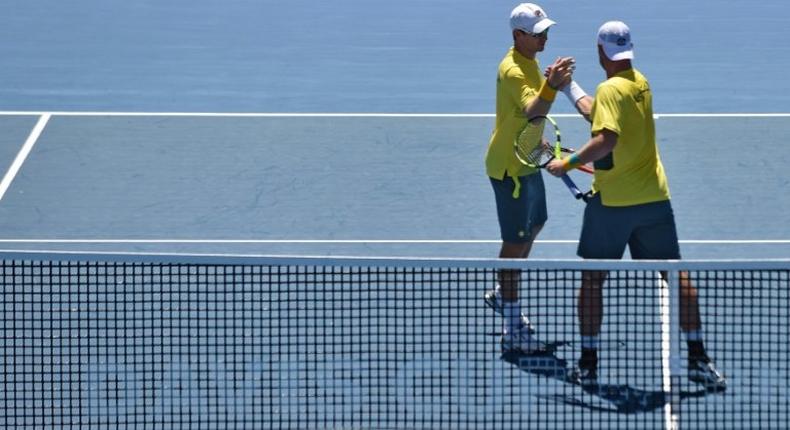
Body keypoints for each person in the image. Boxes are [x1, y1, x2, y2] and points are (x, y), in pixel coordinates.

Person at [545, 21, 727, 389]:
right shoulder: (639, 82)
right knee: (675, 276)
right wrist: (567, 89)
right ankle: (698, 358)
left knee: (593, 281)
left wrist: (566, 162)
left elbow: (606, 137)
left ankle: (589, 361)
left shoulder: (610, 88)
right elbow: (599, 112)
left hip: (613, 204)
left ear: (600, 52)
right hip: (654, 199)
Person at [483, 3, 579, 355]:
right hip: (510, 171)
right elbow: (533, 110)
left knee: (537, 222)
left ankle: (502, 291)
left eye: (545, 32)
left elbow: (526, 120)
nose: (545, 38)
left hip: (527, 157)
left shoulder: (529, 61)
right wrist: (552, 85)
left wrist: (540, 149)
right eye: (537, 34)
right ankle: (512, 325)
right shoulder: (513, 70)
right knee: (515, 244)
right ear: (517, 36)